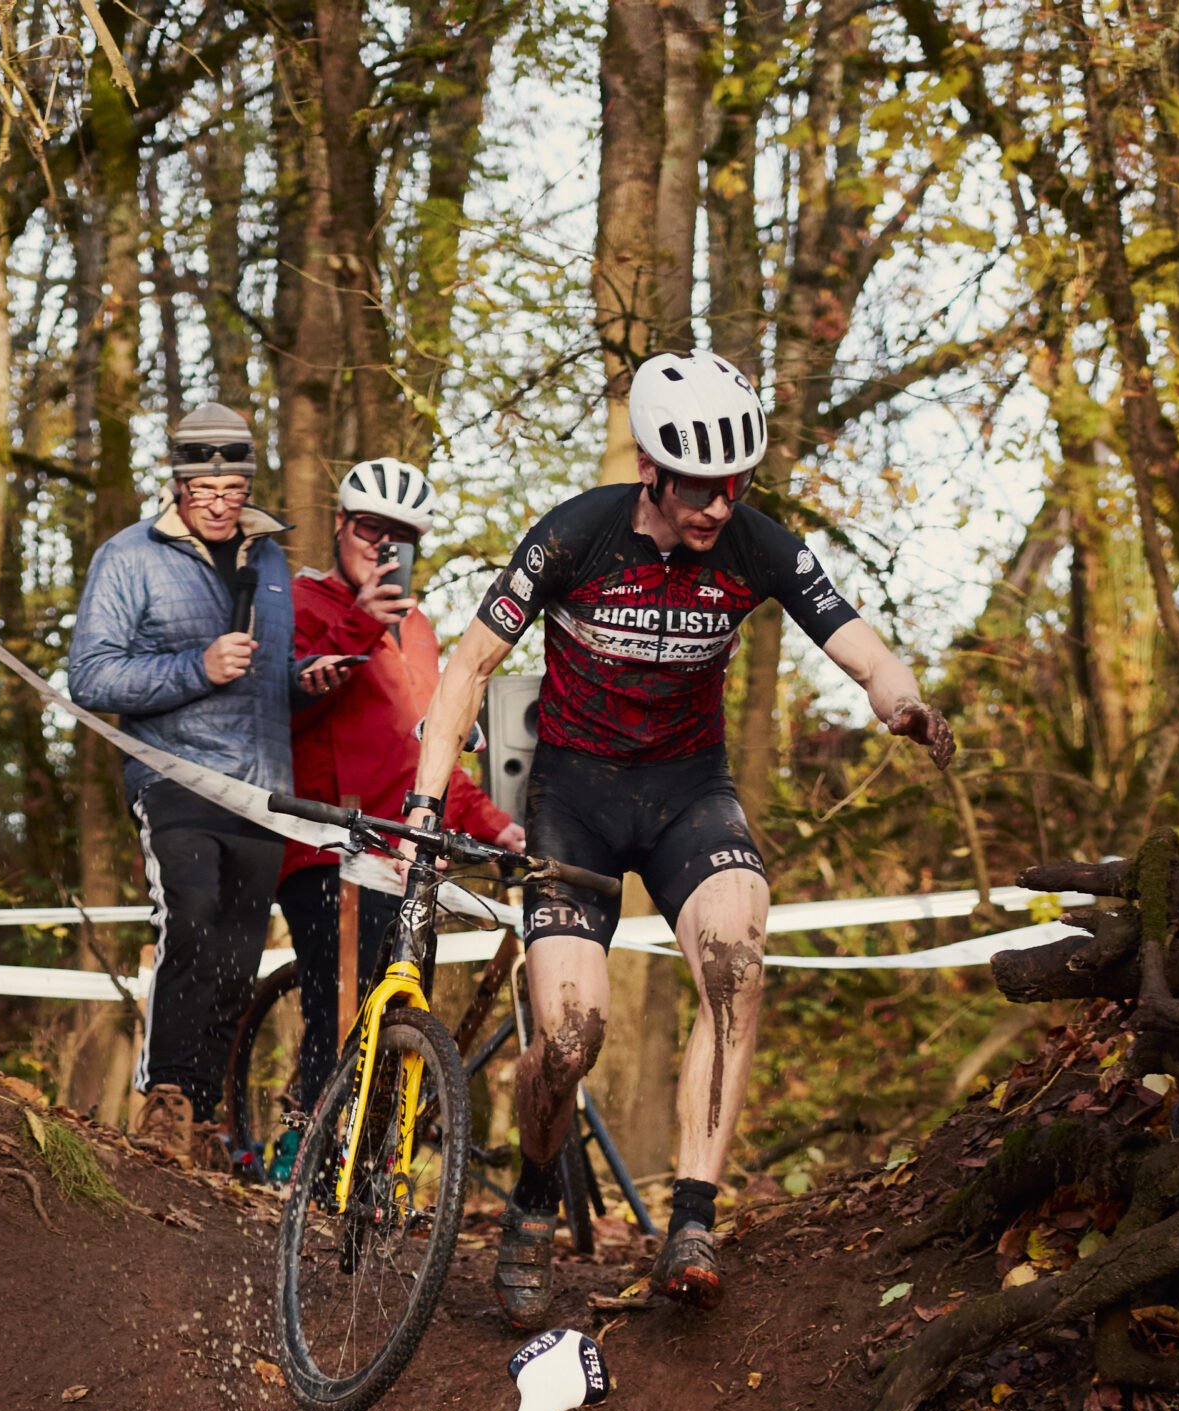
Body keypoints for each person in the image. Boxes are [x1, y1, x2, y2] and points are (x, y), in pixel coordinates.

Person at [399, 351, 957, 1325]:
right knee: (570, 1038)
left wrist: (903, 702)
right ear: (655, 471)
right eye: (701, 487)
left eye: (733, 485)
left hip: (688, 791)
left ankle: (691, 1217)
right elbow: (469, 667)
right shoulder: (577, 533)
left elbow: (859, 642)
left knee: (739, 955)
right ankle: (532, 1198)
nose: (716, 506)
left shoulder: (756, 545)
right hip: (574, 796)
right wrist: (422, 800)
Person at [67, 402, 309, 1167]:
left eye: (233, 486)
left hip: (261, 788)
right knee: (192, 916)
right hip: (173, 776)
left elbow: (265, 677)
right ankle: (165, 1099)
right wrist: (192, 668)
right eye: (205, 487)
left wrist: (307, 680)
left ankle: (205, 1117)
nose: (219, 500)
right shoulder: (128, 557)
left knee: (239, 957)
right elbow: (89, 677)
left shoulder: (271, 561)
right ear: (176, 483)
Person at [277, 457, 525, 1110]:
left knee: (399, 1017)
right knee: (342, 1014)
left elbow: (426, 748)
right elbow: (287, 699)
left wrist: (497, 825)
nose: (382, 547)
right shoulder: (297, 601)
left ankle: (372, 1180)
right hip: (326, 845)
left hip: (405, 853)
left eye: (401, 537)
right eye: (369, 529)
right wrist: (360, 618)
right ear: (339, 525)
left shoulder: (417, 630)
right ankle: (304, 1150)